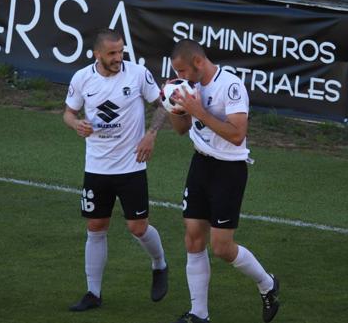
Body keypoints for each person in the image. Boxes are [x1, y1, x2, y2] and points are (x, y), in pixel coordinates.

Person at [167, 39, 279, 323]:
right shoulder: (190, 88)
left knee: (221, 247)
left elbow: (237, 134)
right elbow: (181, 130)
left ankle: (267, 284)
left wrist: (198, 112)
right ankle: (198, 314)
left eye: (182, 71)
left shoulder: (230, 86)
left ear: (198, 62)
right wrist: (173, 107)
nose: (179, 77)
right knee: (193, 237)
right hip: (200, 164)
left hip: (229, 170)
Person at [63, 29, 170, 311]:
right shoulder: (82, 78)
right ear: (97, 54)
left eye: (121, 52)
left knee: (137, 227)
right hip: (96, 167)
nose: (118, 58)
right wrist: (77, 125)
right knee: (96, 226)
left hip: (131, 165)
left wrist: (151, 134)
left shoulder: (137, 74)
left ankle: (159, 264)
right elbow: (69, 113)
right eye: (111, 53)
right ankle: (93, 293)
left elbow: (163, 106)